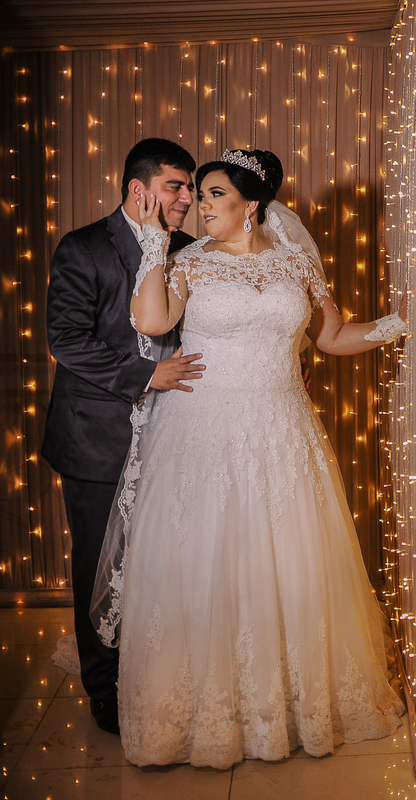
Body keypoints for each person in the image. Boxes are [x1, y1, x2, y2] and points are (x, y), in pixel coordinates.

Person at [91, 148, 408, 768]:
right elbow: (151, 321)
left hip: (281, 425)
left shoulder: (297, 263)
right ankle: (196, 715)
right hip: (202, 429)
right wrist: (156, 248)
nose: (197, 205)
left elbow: (333, 337)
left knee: (282, 559)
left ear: (250, 204)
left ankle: (279, 710)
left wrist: (400, 325)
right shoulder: (190, 261)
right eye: (198, 195)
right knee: (205, 560)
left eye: (212, 195)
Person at [42, 138, 205, 735]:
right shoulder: (83, 247)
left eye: (190, 187)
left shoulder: (190, 251)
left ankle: (154, 667)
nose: (187, 198)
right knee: (97, 564)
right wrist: (145, 375)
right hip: (95, 439)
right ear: (139, 190)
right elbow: (66, 338)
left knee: (163, 559)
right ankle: (103, 685)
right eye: (175, 187)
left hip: (175, 433)